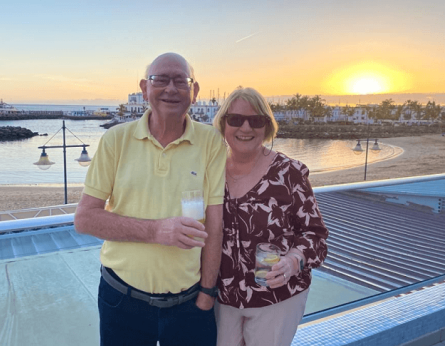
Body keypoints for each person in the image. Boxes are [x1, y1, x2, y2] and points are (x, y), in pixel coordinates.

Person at [74, 53, 226, 346]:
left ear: (194, 92)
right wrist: (157, 231)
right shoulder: (115, 140)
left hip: (191, 304)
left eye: (181, 80)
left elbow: (215, 226)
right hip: (121, 299)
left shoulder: (211, 143)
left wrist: (208, 293)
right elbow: (85, 218)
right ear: (145, 88)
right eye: (161, 80)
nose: (171, 88)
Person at [212, 87, 329, 346]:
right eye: (235, 119)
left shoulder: (289, 173)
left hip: (276, 297)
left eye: (256, 121)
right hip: (222, 297)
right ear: (223, 124)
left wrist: (292, 262)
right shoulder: (210, 169)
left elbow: (316, 236)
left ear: (267, 127)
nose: (245, 127)